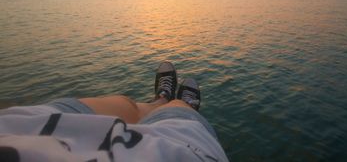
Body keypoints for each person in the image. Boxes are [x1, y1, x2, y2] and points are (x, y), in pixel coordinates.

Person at [0, 62, 228, 162]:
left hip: (19, 131)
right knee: (179, 115)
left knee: (123, 103)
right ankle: (179, 105)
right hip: (177, 156)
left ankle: (161, 100)